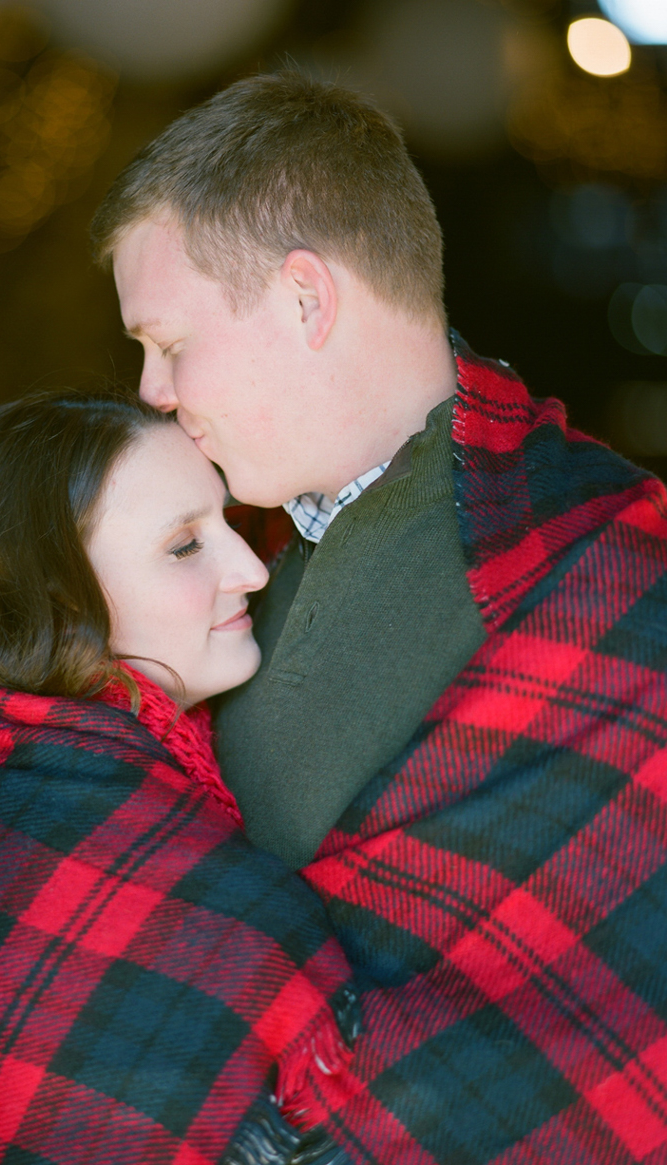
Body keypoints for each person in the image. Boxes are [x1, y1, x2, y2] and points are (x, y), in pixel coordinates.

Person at [91, 72, 667, 1163]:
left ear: (305, 300)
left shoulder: (608, 575)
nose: (152, 388)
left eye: (167, 341)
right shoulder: (244, 544)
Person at [0, 388, 362, 1165]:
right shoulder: (98, 844)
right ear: (54, 599)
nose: (250, 568)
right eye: (185, 545)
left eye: (231, 522)